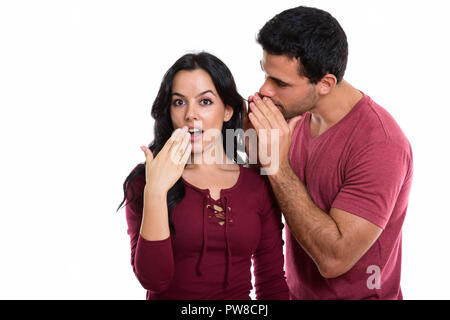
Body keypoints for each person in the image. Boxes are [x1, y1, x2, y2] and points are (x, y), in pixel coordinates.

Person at [246, 6, 413, 299]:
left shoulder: (381, 144)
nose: (265, 90)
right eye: (266, 74)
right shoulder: (291, 116)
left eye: (280, 83)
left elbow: (334, 259)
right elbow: (238, 165)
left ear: (325, 84)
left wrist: (277, 167)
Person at [117, 52, 289, 300]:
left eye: (205, 102)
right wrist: (156, 191)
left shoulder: (257, 185)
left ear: (228, 110)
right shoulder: (144, 180)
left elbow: (272, 283)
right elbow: (154, 279)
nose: (190, 114)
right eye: (179, 102)